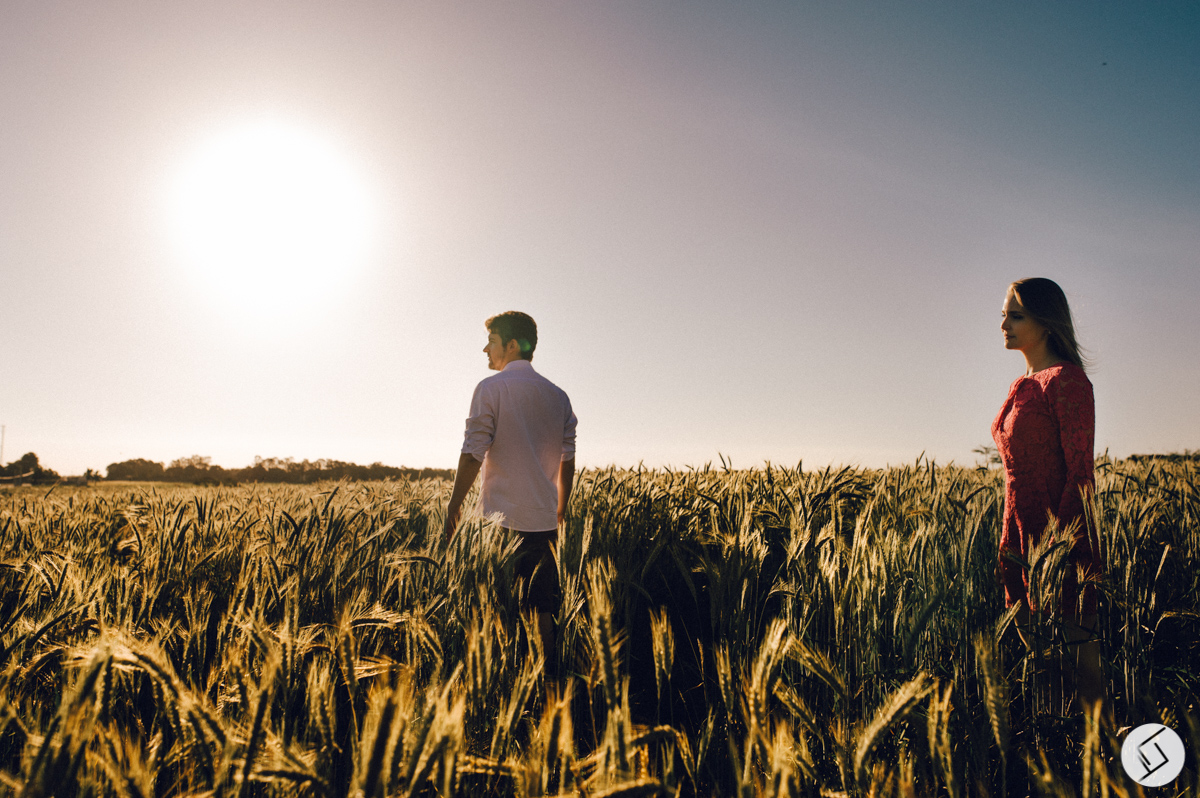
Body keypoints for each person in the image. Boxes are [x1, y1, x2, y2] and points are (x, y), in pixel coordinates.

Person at [444, 311, 577, 674]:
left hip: (498, 526)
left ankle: (503, 687)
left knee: (497, 611)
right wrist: (561, 510)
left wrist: (454, 508)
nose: (485, 348)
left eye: (492, 340)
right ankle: (550, 689)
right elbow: (568, 459)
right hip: (545, 524)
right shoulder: (559, 397)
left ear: (513, 345)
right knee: (543, 612)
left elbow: (473, 453)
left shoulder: (491, 389)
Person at [992, 277, 1104, 711]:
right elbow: (1015, 476)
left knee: (1082, 672)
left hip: (1062, 545)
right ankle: (1057, 767)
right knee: (1043, 673)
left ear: (1047, 321)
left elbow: (1080, 474)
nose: (1004, 324)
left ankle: (1106, 764)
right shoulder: (1023, 383)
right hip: (1020, 542)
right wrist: (1010, 545)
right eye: (1003, 313)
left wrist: (1060, 552)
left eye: (1015, 315)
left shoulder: (1068, 382)